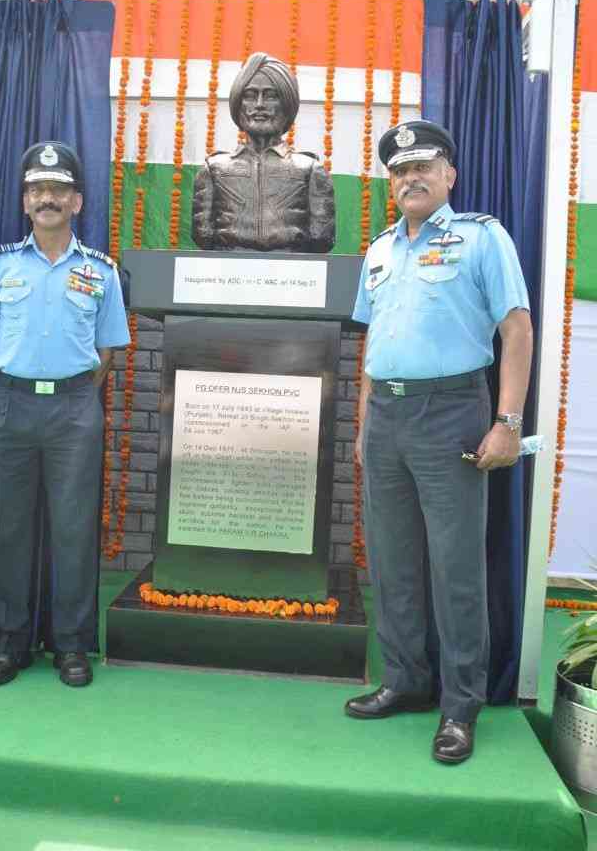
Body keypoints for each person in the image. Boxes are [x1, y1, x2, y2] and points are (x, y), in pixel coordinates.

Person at [345, 120, 533, 764]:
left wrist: (507, 422)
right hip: (389, 418)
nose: (409, 178)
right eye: (398, 171)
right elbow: (373, 345)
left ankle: (460, 706)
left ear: (449, 174)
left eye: (423, 166)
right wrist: (366, 425)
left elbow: (515, 329)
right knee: (394, 563)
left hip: (452, 412)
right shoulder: (377, 252)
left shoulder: (482, 237)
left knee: (455, 569)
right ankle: (404, 680)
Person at [0, 141, 130, 688]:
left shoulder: (101, 272)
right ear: (24, 202)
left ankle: (71, 645)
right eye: (38, 190)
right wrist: (25, 388)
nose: (48, 198)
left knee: (72, 530)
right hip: (10, 407)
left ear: (78, 202)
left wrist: (68, 393)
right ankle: (9, 644)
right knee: (7, 530)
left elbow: (108, 353)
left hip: (74, 411)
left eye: (58, 190)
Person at [192, 51, 335, 252]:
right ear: (238, 105)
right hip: (225, 275)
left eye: (271, 96)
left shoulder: (310, 170)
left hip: (293, 276)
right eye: (250, 96)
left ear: (287, 105)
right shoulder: (214, 169)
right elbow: (203, 236)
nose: (259, 105)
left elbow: (322, 238)